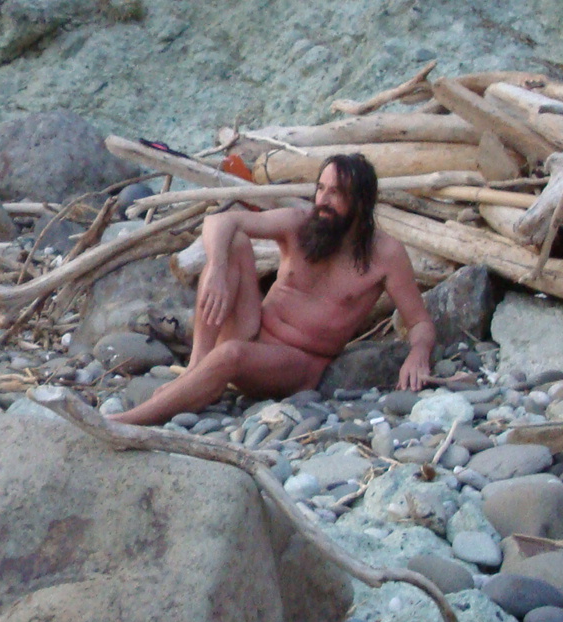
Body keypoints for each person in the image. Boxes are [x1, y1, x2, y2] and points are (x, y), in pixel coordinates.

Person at [109, 153, 434, 426]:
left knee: (232, 354)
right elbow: (219, 221)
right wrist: (218, 268)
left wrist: (418, 354)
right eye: (321, 189)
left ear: (361, 202)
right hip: (253, 327)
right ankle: (196, 368)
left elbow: (419, 321)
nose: (323, 200)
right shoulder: (301, 223)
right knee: (233, 242)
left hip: (298, 361)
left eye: (336, 193)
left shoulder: (385, 255)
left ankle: (129, 421)